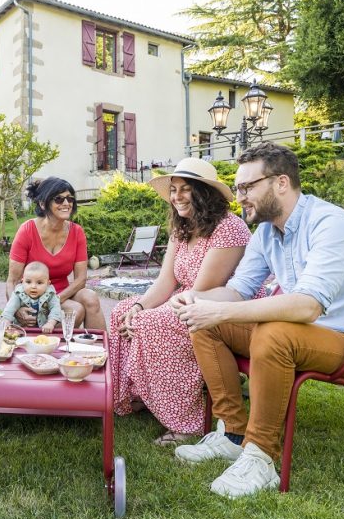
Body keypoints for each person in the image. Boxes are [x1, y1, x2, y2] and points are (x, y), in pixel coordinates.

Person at [170, 142, 344, 499]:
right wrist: (196, 300)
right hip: (310, 337)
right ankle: (233, 433)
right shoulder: (266, 233)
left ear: (280, 183)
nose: (239, 198)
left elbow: (307, 307)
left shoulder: (330, 223)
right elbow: (237, 291)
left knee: (274, 333)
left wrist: (220, 310)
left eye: (247, 187)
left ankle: (260, 457)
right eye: (238, 188)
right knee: (205, 322)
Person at [108, 158, 257, 446]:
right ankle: (141, 395)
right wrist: (138, 308)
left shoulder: (229, 228)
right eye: (173, 190)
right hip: (187, 298)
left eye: (185, 189)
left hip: (220, 303)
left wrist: (145, 317)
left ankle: (186, 422)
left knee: (152, 322)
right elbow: (166, 281)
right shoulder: (183, 229)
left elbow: (202, 290)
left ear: (204, 193)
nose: (177, 196)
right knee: (122, 312)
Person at [6, 177, 105, 330]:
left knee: (90, 298)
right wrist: (16, 309)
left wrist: (53, 301)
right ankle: (43, 342)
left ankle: (99, 345)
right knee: (76, 310)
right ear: (43, 203)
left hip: (61, 295)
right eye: (59, 199)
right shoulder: (27, 230)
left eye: (70, 199)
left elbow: (81, 279)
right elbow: (12, 281)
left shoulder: (77, 232)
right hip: (31, 298)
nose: (66, 203)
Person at [2, 261, 62, 333]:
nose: (33, 286)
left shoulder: (50, 294)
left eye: (39, 283)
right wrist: (6, 322)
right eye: (28, 282)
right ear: (22, 282)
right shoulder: (18, 293)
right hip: (22, 329)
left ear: (47, 284)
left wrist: (50, 323)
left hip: (43, 329)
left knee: (59, 321)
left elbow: (56, 309)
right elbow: (9, 309)